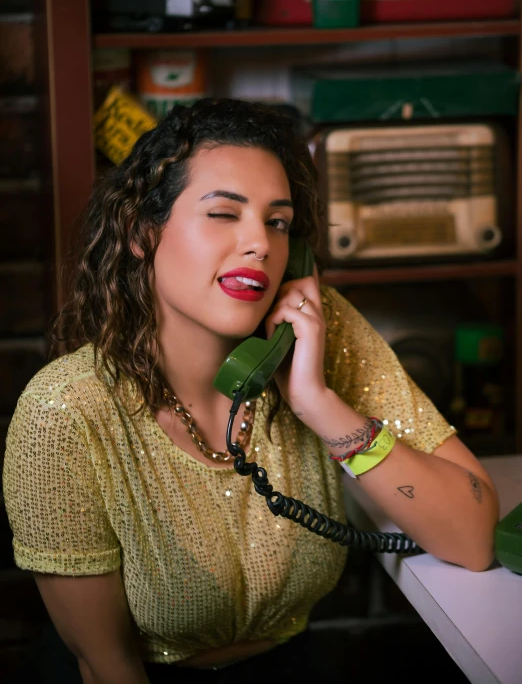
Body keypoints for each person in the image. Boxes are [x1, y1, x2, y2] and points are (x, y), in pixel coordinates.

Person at [3, 98, 499, 684]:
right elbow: (105, 663)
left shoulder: (319, 331)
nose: (260, 243)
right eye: (223, 213)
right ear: (141, 233)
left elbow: (472, 539)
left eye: (278, 221)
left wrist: (318, 403)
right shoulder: (63, 410)